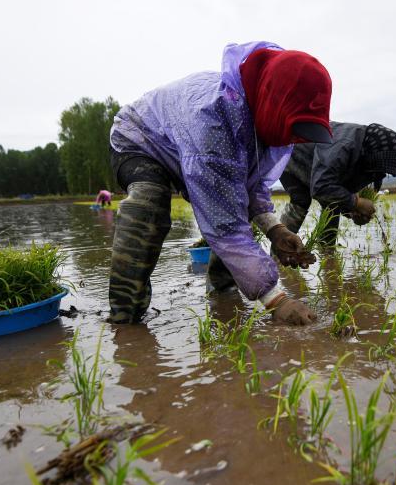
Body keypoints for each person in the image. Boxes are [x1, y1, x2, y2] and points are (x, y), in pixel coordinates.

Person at [107, 41, 332, 325]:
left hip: (182, 146)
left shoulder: (258, 117)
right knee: (150, 203)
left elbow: (249, 190)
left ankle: (222, 291)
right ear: (274, 102)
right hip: (140, 139)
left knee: (231, 204)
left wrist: (276, 229)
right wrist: (277, 300)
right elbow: (224, 223)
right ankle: (125, 315)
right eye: (296, 129)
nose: (294, 139)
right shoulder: (214, 124)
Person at [207, 121, 396, 291]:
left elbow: (338, 193)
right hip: (291, 156)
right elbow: (322, 187)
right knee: (285, 201)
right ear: (369, 153)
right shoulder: (343, 146)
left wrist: (352, 211)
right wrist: (355, 202)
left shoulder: (367, 157)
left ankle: (315, 253)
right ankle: (223, 282)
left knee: (317, 204)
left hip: (311, 161)